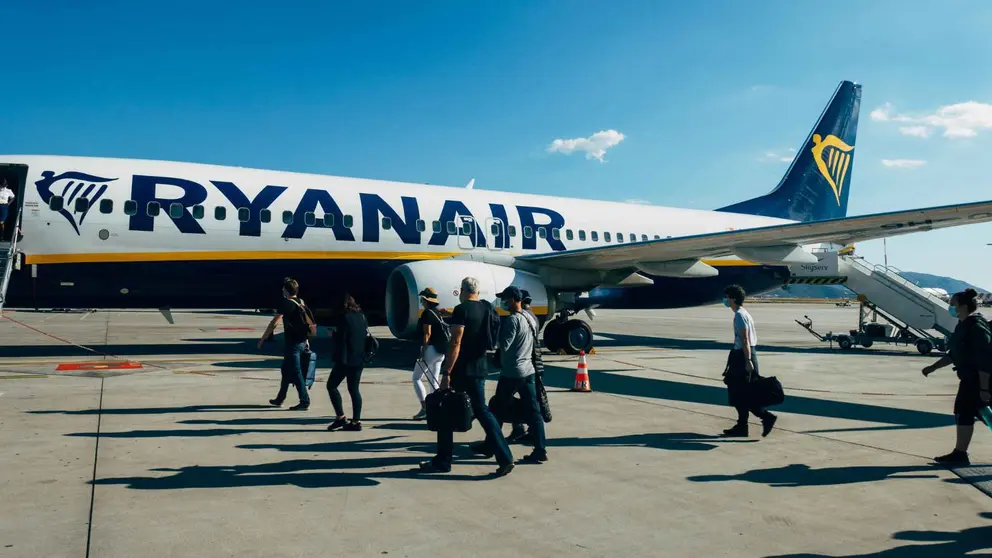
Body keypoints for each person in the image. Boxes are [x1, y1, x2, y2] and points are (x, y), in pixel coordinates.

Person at [420, 277, 514, 476]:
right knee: (483, 412)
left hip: (462, 370)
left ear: (462, 290)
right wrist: (452, 315)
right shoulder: (486, 308)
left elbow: (456, 342)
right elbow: (474, 322)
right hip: (480, 367)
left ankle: (443, 461)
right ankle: (505, 456)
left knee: (446, 412)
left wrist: (446, 371)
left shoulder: (462, 310)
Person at [922, 288, 992, 465]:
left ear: (962, 306)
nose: (950, 307)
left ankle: (960, 453)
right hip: (970, 380)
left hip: (979, 380)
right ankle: (960, 453)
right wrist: (933, 367)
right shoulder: (964, 325)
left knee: (969, 412)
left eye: (952, 304)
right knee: (965, 412)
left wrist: (984, 388)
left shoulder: (975, 327)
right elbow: (955, 354)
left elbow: (985, 358)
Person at [486, 286, 547, 463]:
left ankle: (491, 444)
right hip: (528, 370)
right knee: (534, 411)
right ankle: (540, 449)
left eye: (505, 299)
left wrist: (494, 331)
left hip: (512, 372)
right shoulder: (530, 317)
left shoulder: (512, 320)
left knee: (496, 407)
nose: (503, 303)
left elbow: (503, 345)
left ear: (514, 299)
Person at [721, 285, 777, 437]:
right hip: (744, 354)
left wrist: (747, 361)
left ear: (732, 298)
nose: (725, 300)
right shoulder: (743, 313)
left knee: (740, 393)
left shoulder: (740, 315)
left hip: (743, 356)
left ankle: (765, 417)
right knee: (742, 393)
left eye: (726, 297)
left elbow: (745, 339)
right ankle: (742, 426)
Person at [259, 279, 313, 411]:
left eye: (283, 289)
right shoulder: (301, 302)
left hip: (293, 343)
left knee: (296, 371)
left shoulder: (286, 303)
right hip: (302, 341)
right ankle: (280, 397)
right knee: (286, 370)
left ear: (286, 290)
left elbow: (274, 322)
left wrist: (263, 338)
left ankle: (304, 400)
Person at [326, 293, 369, 432]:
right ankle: (356, 421)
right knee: (354, 389)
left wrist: (334, 334)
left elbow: (343, 340)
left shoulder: (344, 318)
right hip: (359, 358)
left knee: (331, 386)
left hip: (346, 359)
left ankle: (340, 417)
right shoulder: (361, 316)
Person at [412, 287, 447, 420]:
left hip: (431, 349)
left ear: (426, 300)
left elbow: (427, 333)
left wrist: (423, 351)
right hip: (440, 351)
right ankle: (436, 408)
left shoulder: (427, 314)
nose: (421, 301)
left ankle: (424, 408)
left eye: (422, 298)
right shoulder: (437, 312)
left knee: (416, 378)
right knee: (434, 380)